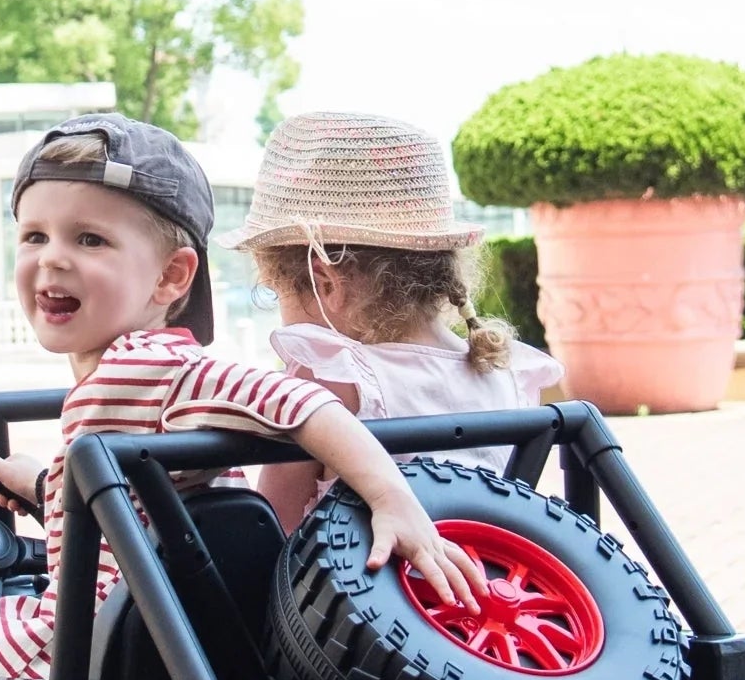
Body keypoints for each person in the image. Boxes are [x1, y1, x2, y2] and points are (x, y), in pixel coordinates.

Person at [0, 113, 479, 680]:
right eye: (34, 235)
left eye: (89, 239)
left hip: (73, 652)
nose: (52, 257)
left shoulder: (157, 369)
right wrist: (44, 486)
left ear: (170, 278)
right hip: (149, 641)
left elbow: (302, 402)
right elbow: (135, 503)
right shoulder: (135, 382)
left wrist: (390, 498)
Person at [229, 111, 565, 530]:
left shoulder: (333, 377)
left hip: (355, 593)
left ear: (325, 283)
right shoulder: (507, 374)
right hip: (479, 587)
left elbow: (272, 524)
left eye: (276, 292)